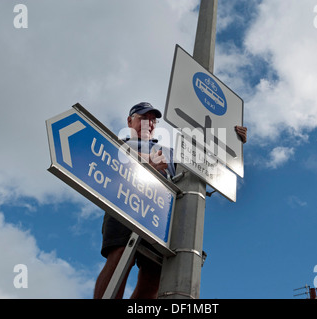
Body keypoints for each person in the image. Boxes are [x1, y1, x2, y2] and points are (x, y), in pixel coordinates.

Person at [94, 102, 247, 299]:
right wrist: (147, 164)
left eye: (152, 120)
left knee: (155, 275)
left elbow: (202, 167)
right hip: (127, 203)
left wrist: (233, 143)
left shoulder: (169, 151)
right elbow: (113, 162)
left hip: (160, 214)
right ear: (129, 120)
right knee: (120, 256)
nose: (148, 123)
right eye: (142, 118)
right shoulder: (120, 143)